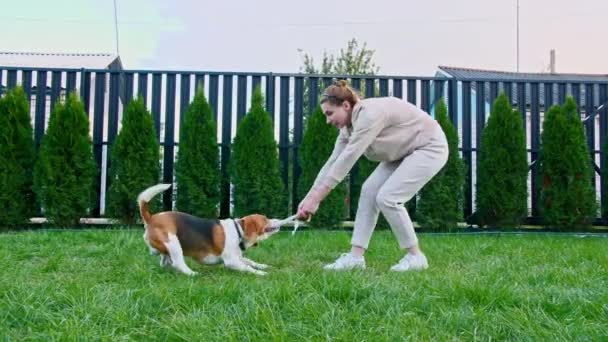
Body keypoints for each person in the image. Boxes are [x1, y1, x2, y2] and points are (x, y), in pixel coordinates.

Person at [297, 80, 449, 272]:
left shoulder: (369, 115)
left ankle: (415, 256)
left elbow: (347, 160)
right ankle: (355, 258)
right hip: (403, 151)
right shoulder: (347, 129)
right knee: (369, 191)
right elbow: (332, 163)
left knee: (388, 198)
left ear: (345, 105)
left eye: (329, 113)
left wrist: (317, 199)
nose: (328, 120)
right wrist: (309, 198)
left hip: (429, 146)